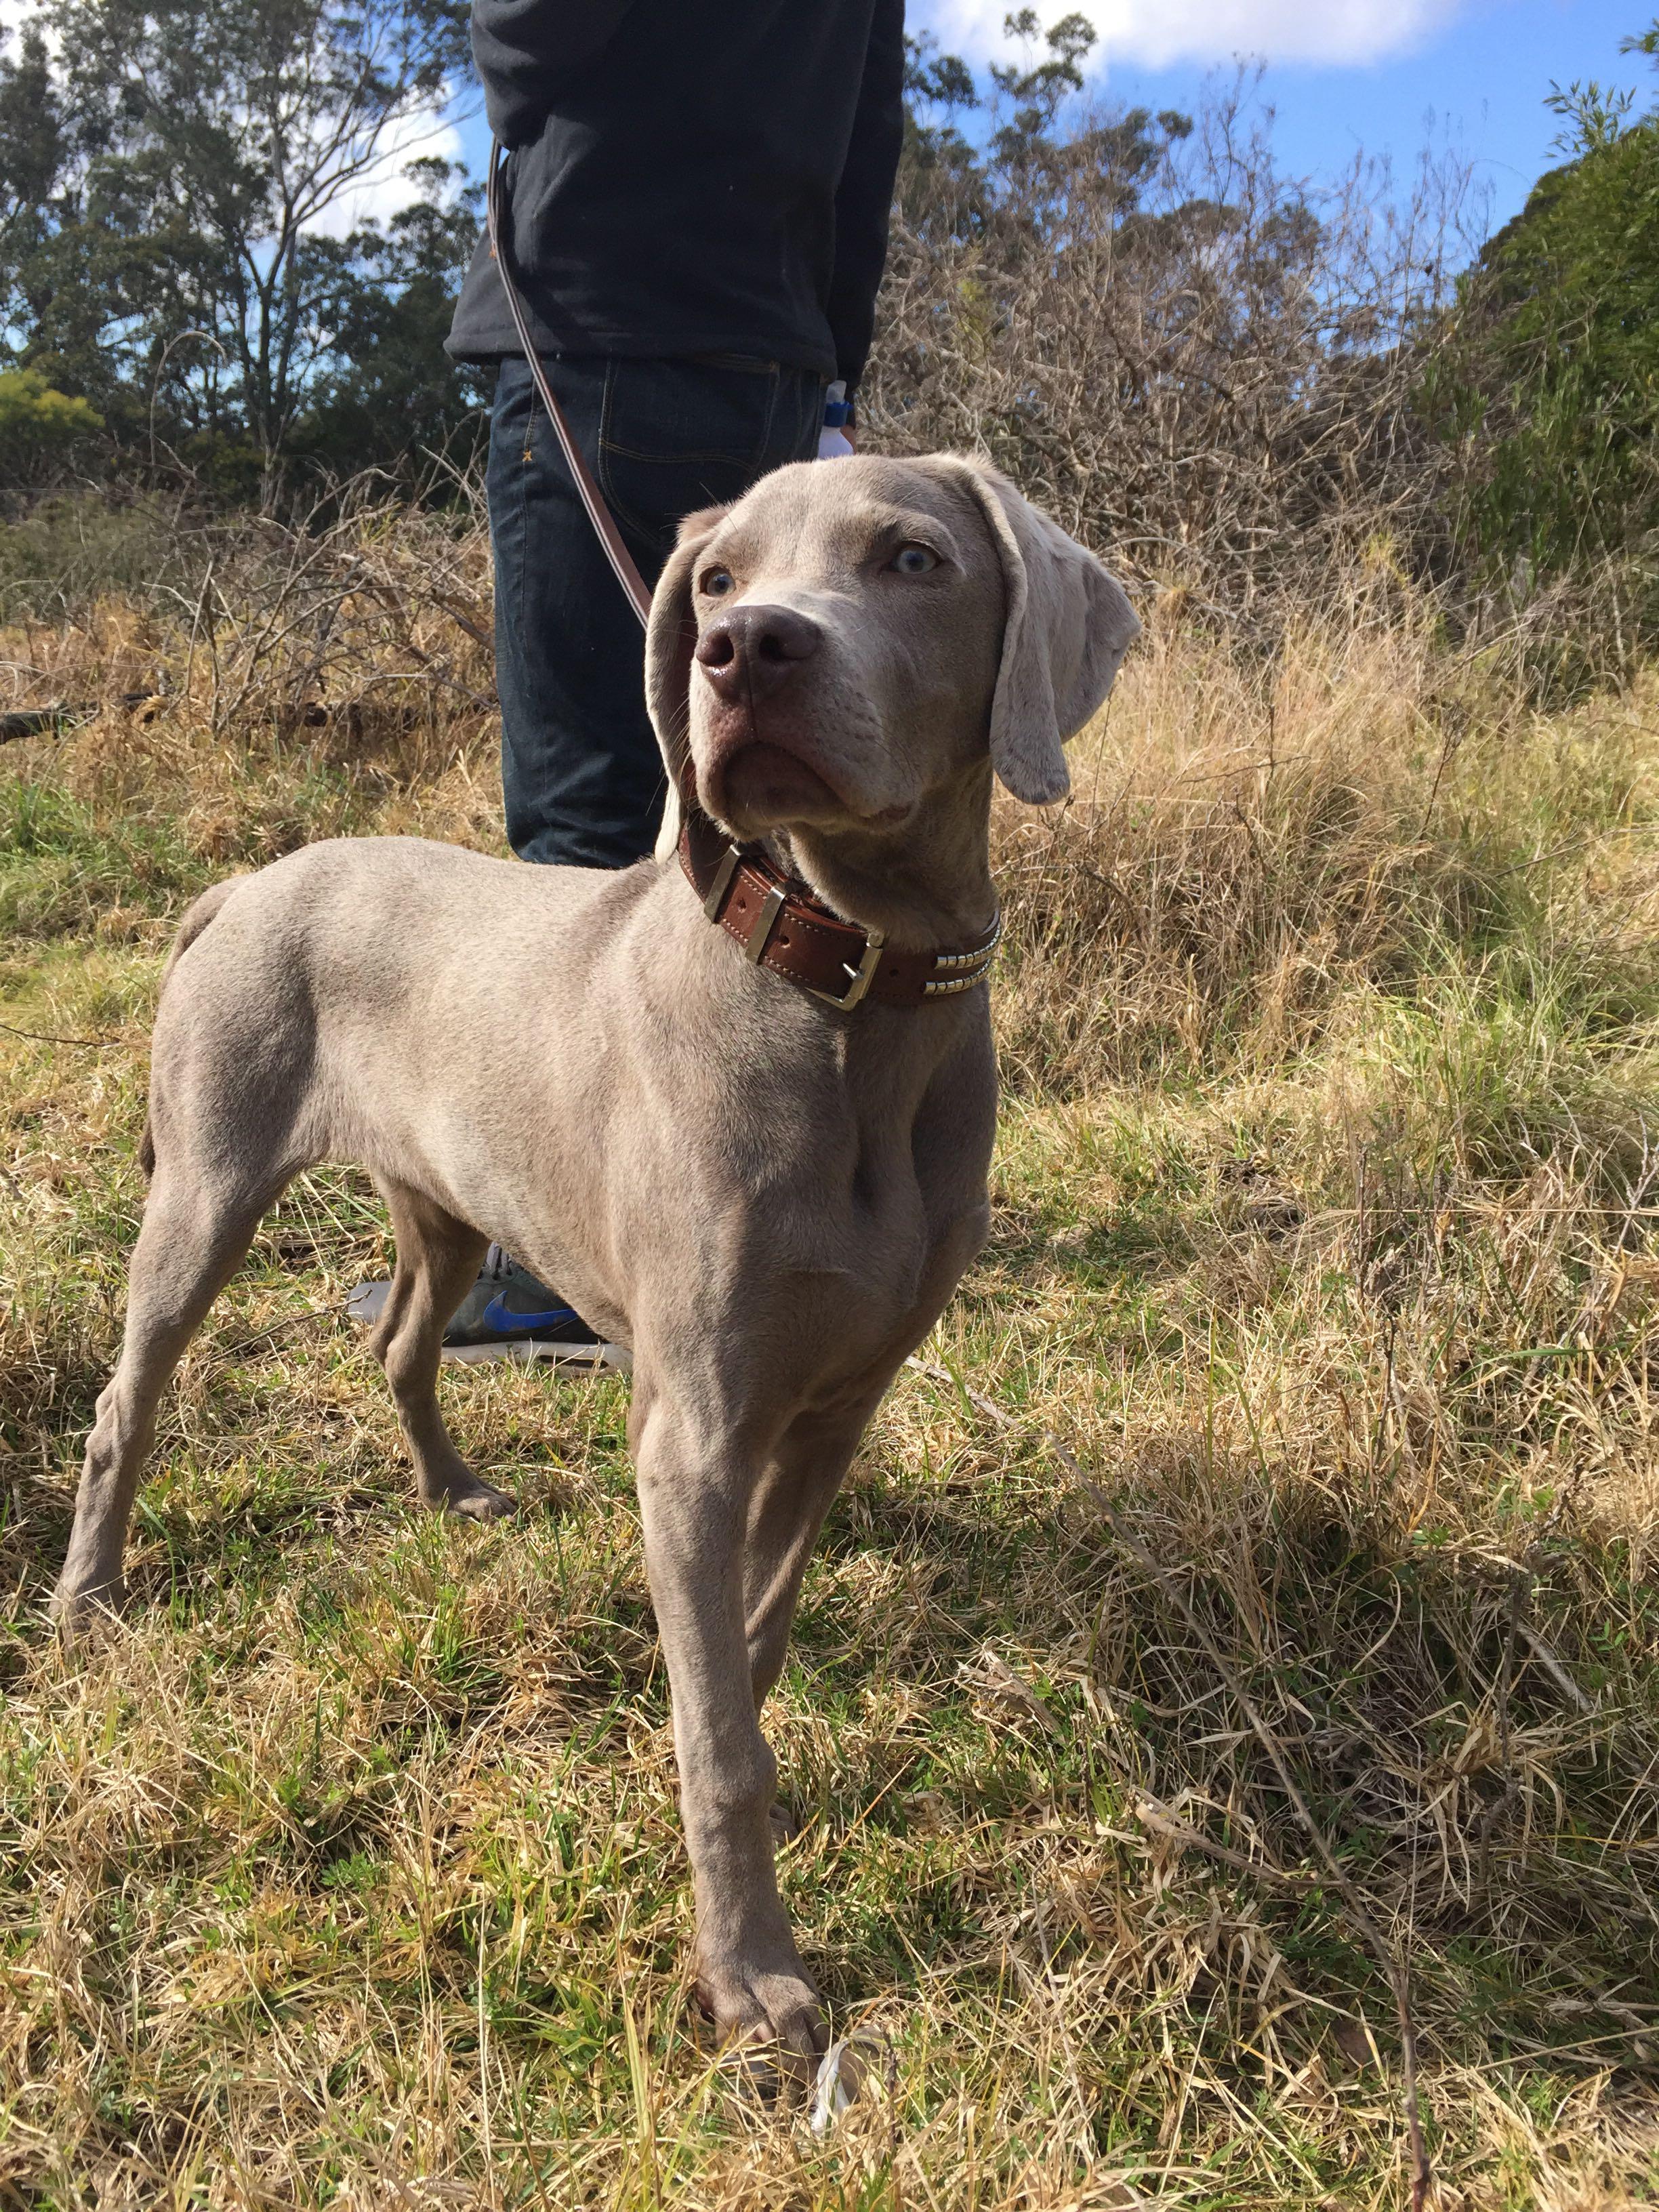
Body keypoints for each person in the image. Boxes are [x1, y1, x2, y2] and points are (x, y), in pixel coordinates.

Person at [424, 0, 906, 1357]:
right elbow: (871, 129)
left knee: (579, 810)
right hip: (778, 363)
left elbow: (529, 55)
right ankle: (766, 1195)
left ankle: (563, 1266)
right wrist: (831, 376)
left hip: (596, 335)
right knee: (758, 795)